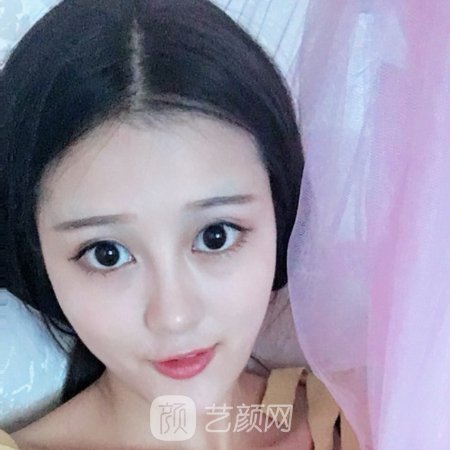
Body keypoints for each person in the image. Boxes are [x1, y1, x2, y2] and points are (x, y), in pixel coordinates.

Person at [0, 0, 356, 448]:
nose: (174, 316)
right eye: (107, 254)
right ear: (37, 252)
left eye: (215, 236)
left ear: (281, 212)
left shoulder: (370, 417)